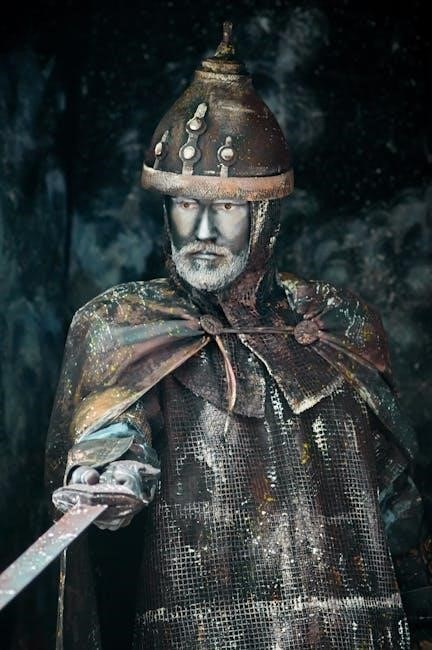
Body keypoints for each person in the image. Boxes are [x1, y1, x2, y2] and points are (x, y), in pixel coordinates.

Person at [46, 23, 418, 649]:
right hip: (201, 626)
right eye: (186, 205)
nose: (204, 230)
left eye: (226, 207)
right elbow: (112, 426)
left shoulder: (336, 320)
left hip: (346, 627)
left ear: (263, 215)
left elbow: (394, 495)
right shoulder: (123, 324)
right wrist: (111, 474)